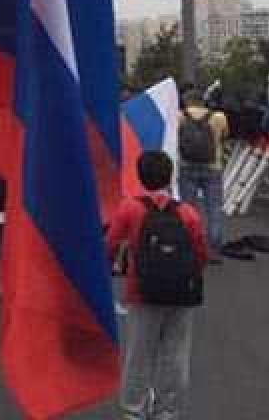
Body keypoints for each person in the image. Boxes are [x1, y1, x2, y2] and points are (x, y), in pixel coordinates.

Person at [106, 150, 208, 420]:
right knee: (175, 354)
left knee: (139, 353)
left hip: (142, 291)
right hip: (181, 294)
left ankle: (134, 409)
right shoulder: (188, 214)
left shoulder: (131, 208)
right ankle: (167, 410)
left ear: (140, 176)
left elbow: (110, 243)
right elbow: (200, 255)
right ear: (170, 176)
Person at [177, 89, 227, 262]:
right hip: (213, 167)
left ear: (187, 101)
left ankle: (189, 246)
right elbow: (225, 136)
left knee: (188, 208)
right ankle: (214, 250)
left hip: (187, 166)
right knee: (214, 209)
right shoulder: (218, 117)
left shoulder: (180, 117)